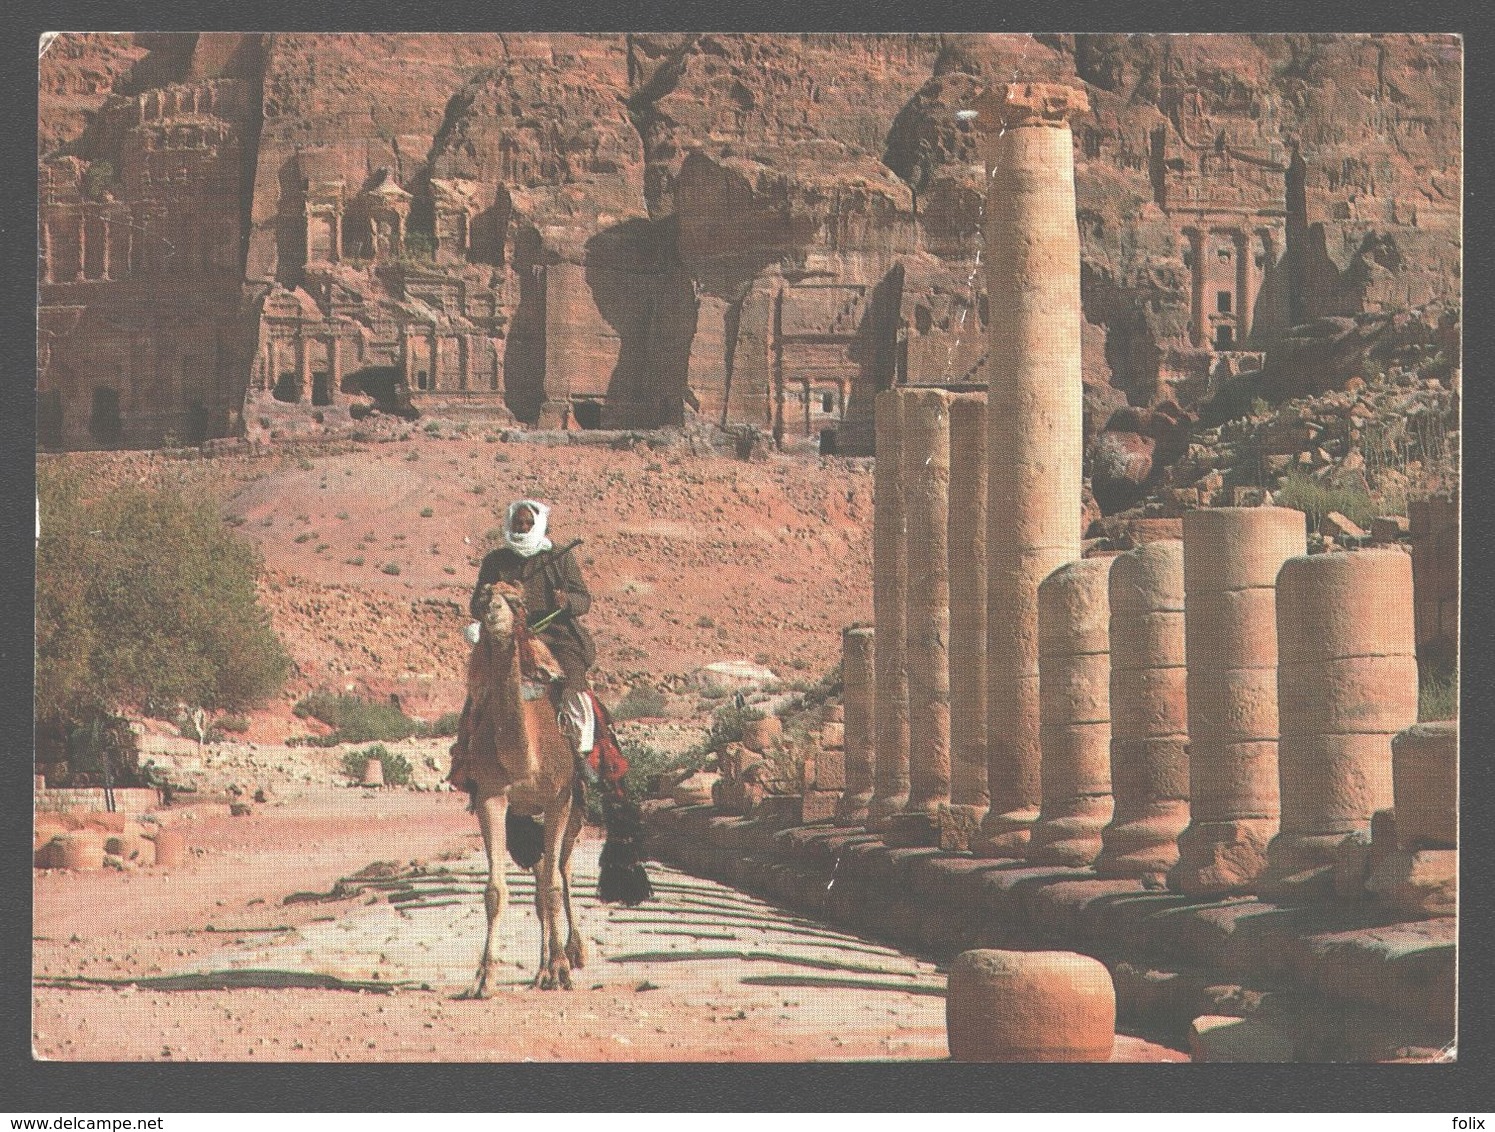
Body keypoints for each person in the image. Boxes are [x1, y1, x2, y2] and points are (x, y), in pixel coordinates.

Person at [469, 499, 597, 759]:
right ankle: (469, 752)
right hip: (509, 636)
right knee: (481, 684)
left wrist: (567, 602)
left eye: (528, 523)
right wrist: (488, 598)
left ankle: (582, 753)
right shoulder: (496, 561)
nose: (523, 527)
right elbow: (475, 606)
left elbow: (583, 599)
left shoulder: (559, 557)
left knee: (573, 681)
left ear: (538, 524)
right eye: (518, 523)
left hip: (556, 635)